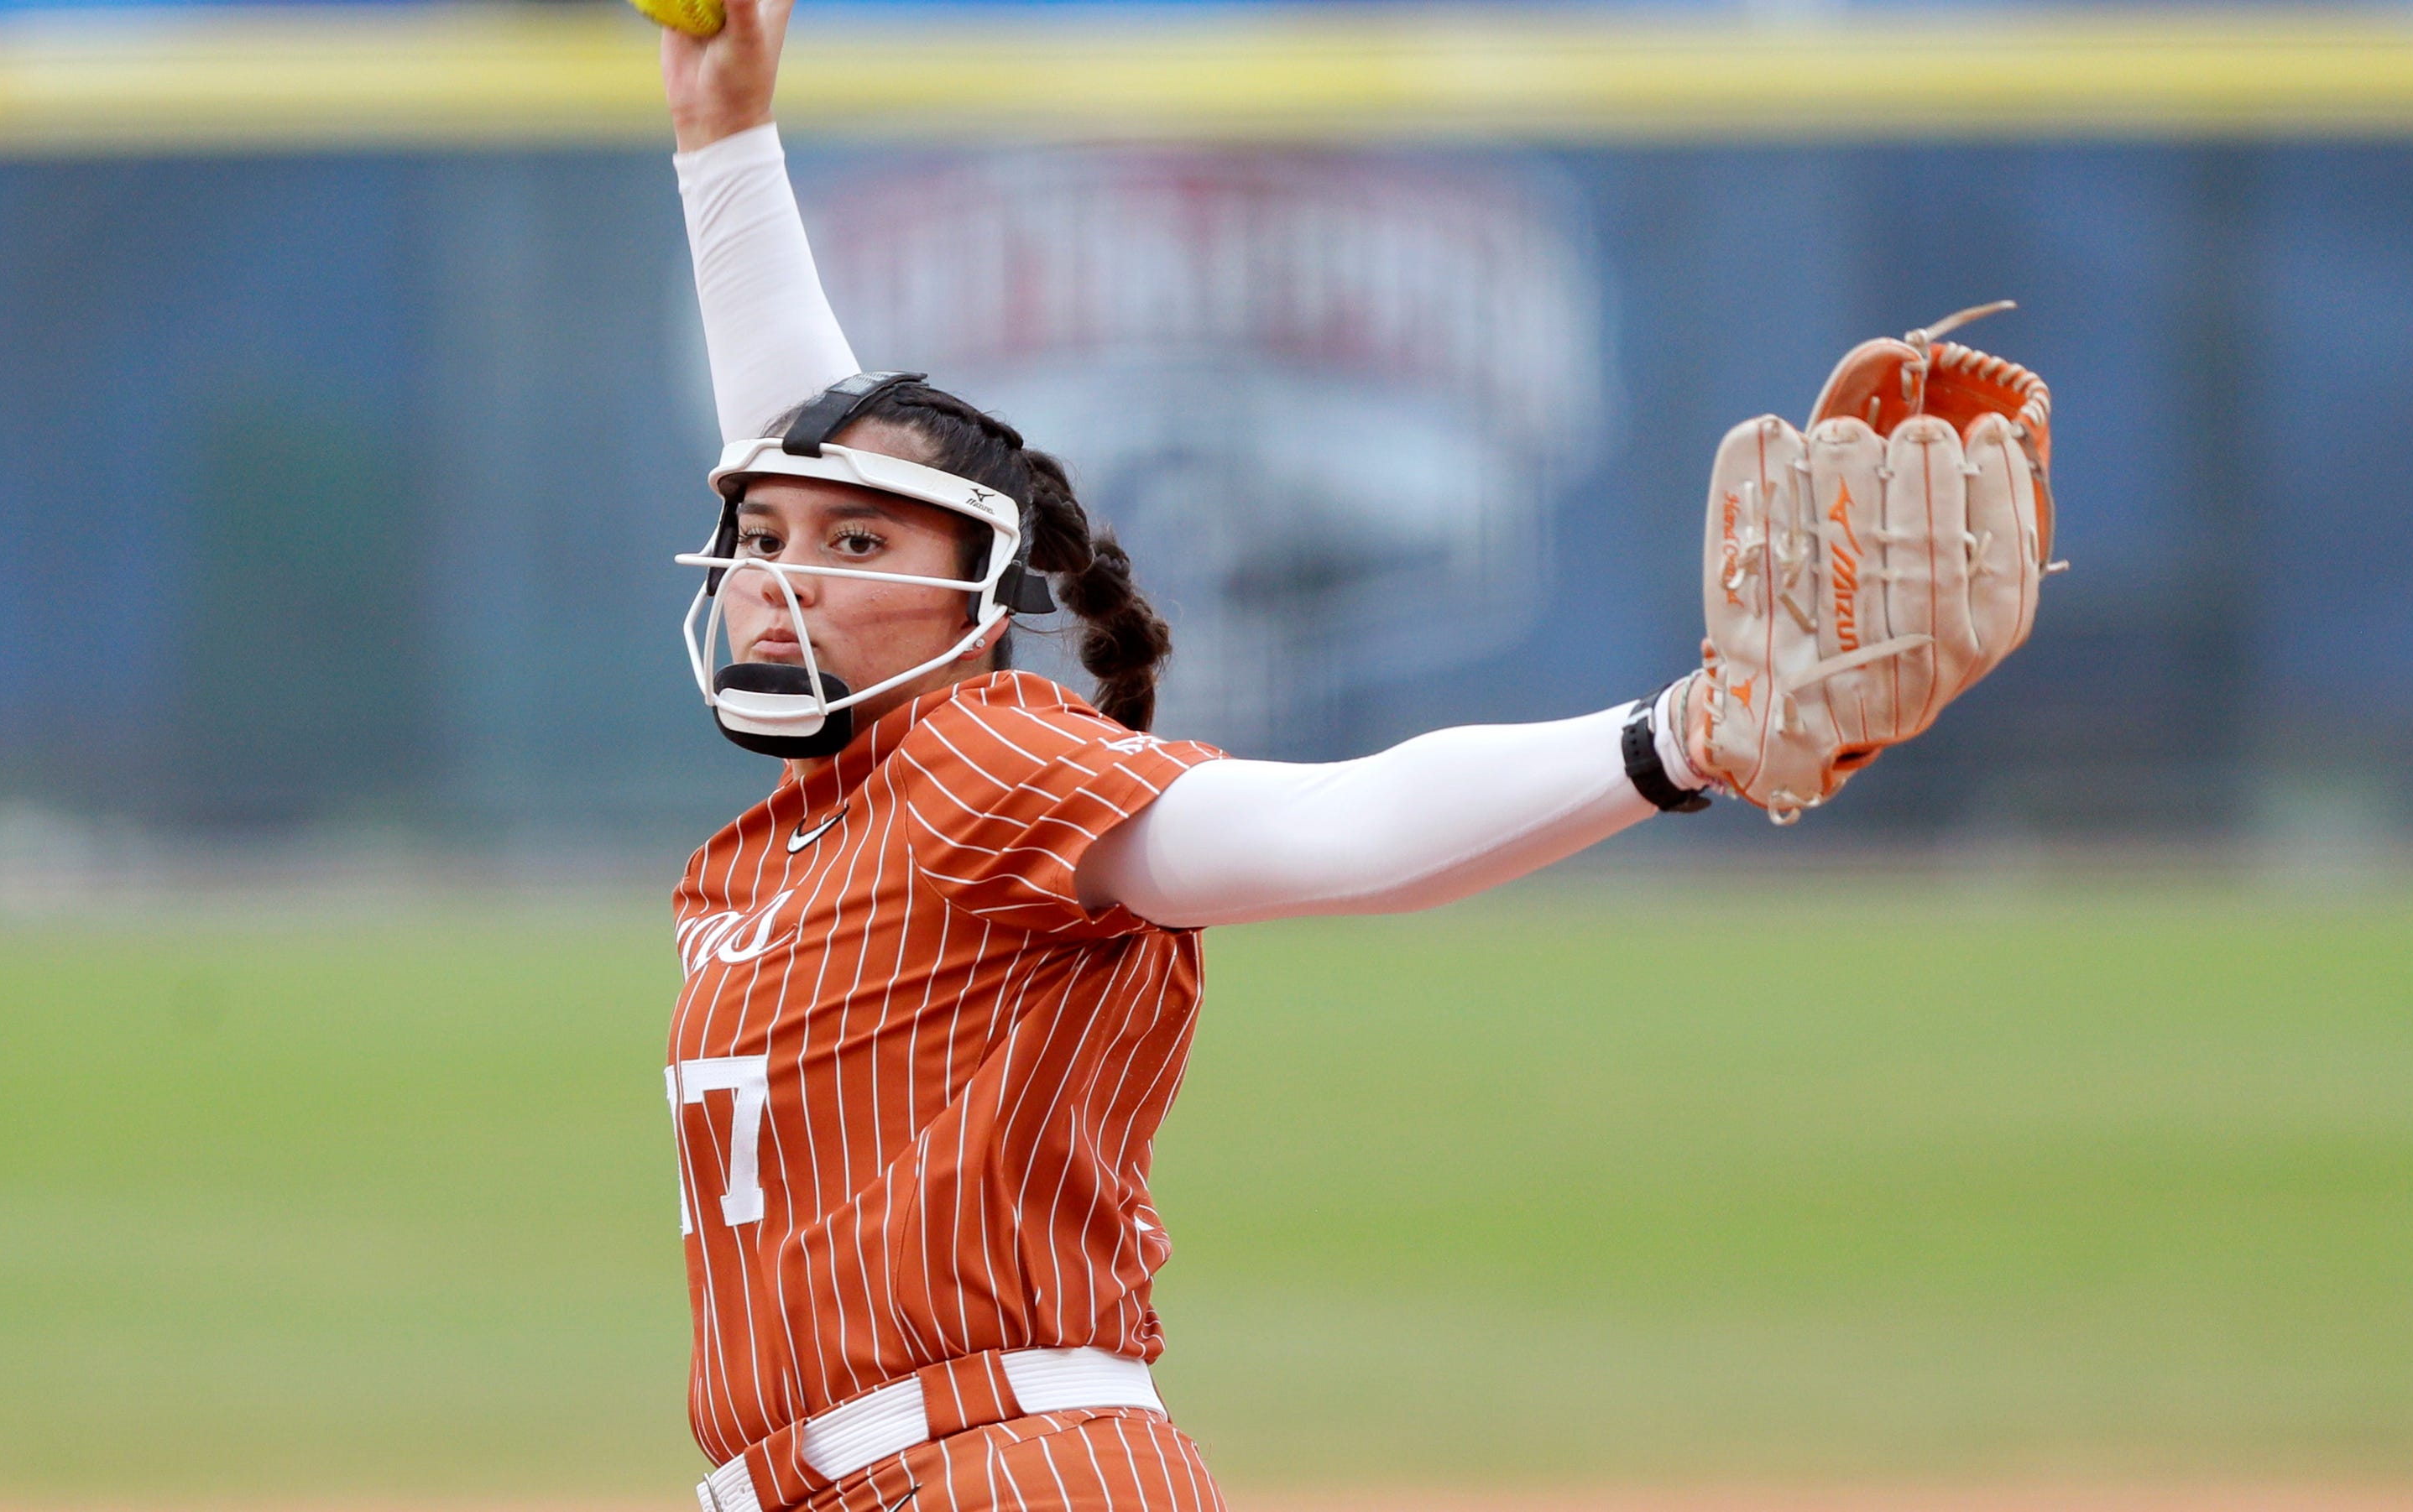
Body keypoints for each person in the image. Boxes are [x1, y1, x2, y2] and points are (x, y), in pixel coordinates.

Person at [655, 4, 2033, 1509]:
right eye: (762, 539)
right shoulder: (811, 823)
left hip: (998, 1473)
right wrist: (723, 133)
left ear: (979, 602)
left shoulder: (993, 767)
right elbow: (799, 450)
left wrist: (1678, 737)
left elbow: (1349, 828)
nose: (783, 575)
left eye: (856, 543)